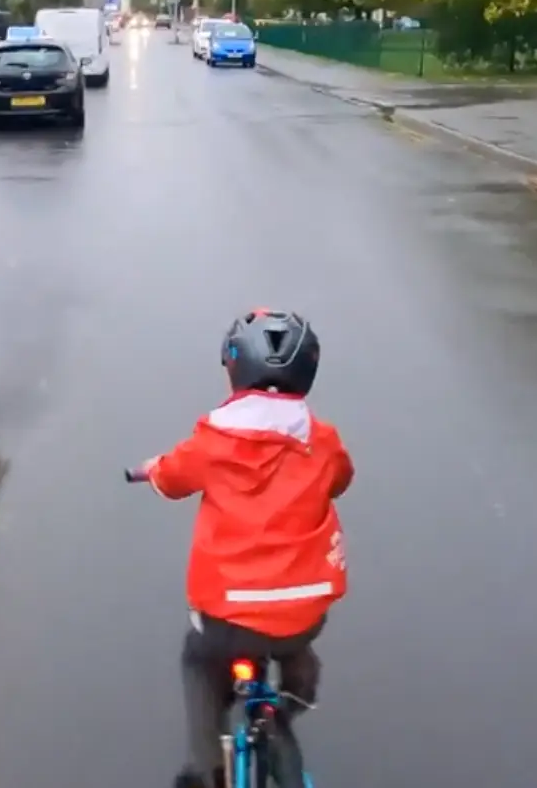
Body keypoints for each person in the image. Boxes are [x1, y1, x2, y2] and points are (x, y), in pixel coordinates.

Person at [141, 309, 355, 788]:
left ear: (233, 369)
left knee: (198, 661)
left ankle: (206, 765)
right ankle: (285, 709)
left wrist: (153, 469)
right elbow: (340, 480)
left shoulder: (211, 439)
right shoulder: (322, 441)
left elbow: (172, 480)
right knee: (297, 650)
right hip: (302, 612)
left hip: (226, 613)